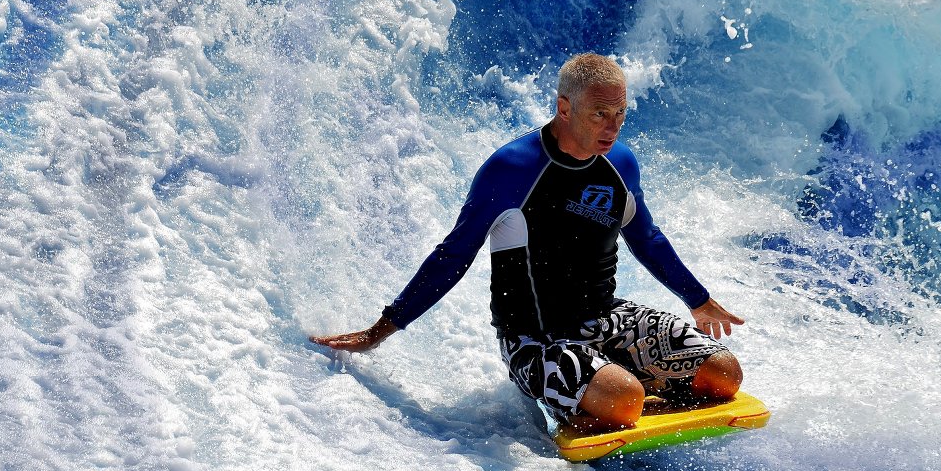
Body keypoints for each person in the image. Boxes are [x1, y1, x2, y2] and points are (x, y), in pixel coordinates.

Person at [310, 53, 744, 431]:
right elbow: (453, 255)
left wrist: (698, 299)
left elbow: (645, 237)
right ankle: (605, 396)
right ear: (564, 107)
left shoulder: (621, 164)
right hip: (535, 338)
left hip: (606, 319)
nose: (611, 127)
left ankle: (614, 384)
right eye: (599, 114)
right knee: (623, 400)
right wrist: (381, 330)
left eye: (620, 114)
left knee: (724, 374)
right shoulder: (512, 169)